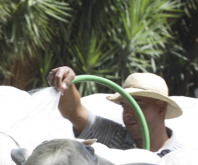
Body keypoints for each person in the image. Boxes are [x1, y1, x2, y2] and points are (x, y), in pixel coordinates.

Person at [48, 66, 184, 156]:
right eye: (124, 105)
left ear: (161, 107)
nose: (128, 113)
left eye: (137, 103)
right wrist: (66, 82)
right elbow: (74, 112)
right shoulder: (115, 137)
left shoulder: (182, 157)